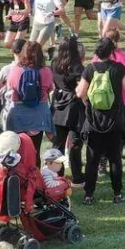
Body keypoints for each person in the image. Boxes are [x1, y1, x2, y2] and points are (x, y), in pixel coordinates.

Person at [75, 38, 125, 205]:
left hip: (94, 120)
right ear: (112, 52)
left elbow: (80, 93)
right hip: (115, 120)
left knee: (92, 159)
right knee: (115, 158)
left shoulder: (90, 69)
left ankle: (89, 195)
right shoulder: (119, 68)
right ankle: (117, 194)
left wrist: (87, 99)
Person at [5, 41, 55, 152]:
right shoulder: (46, 71)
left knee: (18, 149)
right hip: (39, 113)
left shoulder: (15, 70)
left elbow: (10, 88)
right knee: (35, 149)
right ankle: (35, 168)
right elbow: (50, 89)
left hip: (19, 113)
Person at [51, 37, 85, 186]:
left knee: (57, 144)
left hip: (58, 104)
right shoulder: (78, 67)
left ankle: (57, 175)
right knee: (74, 143)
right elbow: (81, 89)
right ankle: (77, 176)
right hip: (74, 106)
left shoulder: (54, 65)